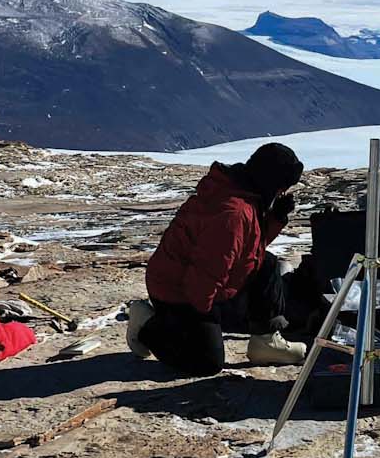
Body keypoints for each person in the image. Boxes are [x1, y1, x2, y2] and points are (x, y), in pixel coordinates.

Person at [127, 142, 313, 375]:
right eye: (281, 188)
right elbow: (203, 278)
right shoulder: (233, 213)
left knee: (266, 263)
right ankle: (147, 324)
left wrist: (274, 219)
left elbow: (248, 249)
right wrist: (210, 322)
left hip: (193, 283)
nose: (281, 194)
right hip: (177, 292)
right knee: (207, 362)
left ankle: (265, 342)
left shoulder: (242, 194)